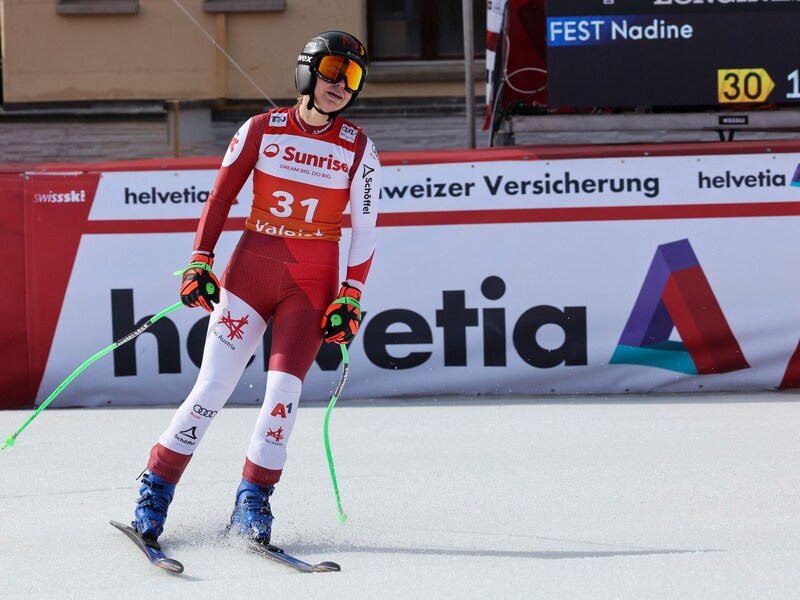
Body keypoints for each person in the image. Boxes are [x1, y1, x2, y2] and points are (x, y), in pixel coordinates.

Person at [130, 31, 380, 547]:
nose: (340, 84)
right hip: (251, 273)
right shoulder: (261, 129)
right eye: (333, 70)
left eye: (352, 76)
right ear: (308, 73)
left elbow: (366, 230)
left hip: (311, 285)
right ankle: (155, 490)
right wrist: (200, 260)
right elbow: (220, 198)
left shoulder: (360, 149)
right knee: (212, 389)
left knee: (282, 398)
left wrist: (352, 294)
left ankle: (253, 501)